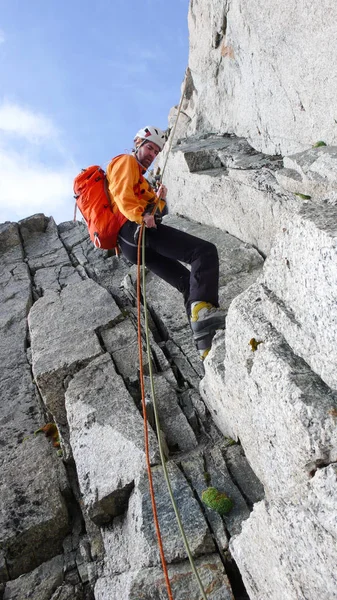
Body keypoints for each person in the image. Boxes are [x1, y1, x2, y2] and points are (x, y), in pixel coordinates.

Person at [106, 126, 226, 359]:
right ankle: (205, 314)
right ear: (137, 142)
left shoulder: (139, 179)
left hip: (132, 245)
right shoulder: (126, 161)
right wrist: (142, 216)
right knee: (204, 252)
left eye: (156, 152)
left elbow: (154, 210)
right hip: (135, 230)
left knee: (186, 283)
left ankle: (205, 343)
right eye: (149, 147)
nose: (152, 154)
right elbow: (122, 196)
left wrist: (158, 199)